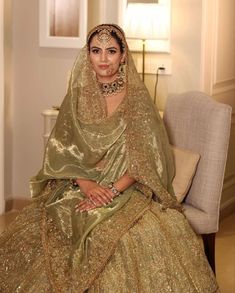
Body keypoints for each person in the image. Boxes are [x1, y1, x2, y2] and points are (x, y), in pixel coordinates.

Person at [0, 24, 219, 292]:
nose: (103, 59)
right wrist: (88, 185)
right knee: (58, 223)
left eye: (111, 51)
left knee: (126, 234)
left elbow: (145, 158)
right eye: (96, 50)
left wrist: (112, 190)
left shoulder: (137, 100)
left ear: (123, 55)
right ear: (87, 55)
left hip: (126, 187)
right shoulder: (77, 96)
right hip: (79, 184)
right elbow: (63, 150)